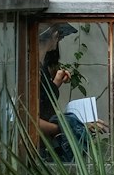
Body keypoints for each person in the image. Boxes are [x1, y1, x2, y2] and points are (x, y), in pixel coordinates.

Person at [37, 22, 89, 161]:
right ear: (55, 35)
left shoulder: (38, 67)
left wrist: (56, 83)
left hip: (42, 144)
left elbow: (40, 99)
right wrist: (64, 128)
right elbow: (27, 119)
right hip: (36, 148)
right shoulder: (31, 69)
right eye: (60, 36)